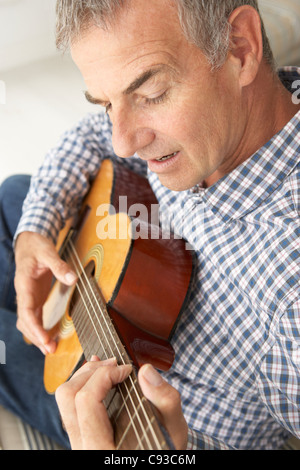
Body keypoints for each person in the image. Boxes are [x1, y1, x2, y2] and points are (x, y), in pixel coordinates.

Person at [0, 0, 299, 450]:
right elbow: (94, 137)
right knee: (17, 195)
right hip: (122, 282)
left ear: (240, 48)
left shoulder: (290, 299)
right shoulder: (218, 132)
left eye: (151, 94)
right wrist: (35, 231)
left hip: (127, 408)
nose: (123, 142)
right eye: (106, 104)